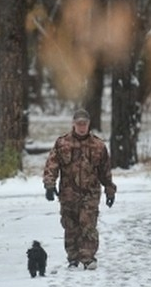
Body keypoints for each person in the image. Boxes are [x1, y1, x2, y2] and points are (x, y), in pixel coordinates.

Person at [43, 108, 116, 270]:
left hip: (90, 193)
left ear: (89, 124)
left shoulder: (98, 145)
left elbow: (105, 171)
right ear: (73, 124)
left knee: (88, 224)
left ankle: (88, 258)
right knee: (70, 226)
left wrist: (110, 190)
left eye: (85, 124)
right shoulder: (62, 143)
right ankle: (73, 258)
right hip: (68, 193)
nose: (82, 127)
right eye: (79, 124)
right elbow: (52, 165)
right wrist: (49, 184)